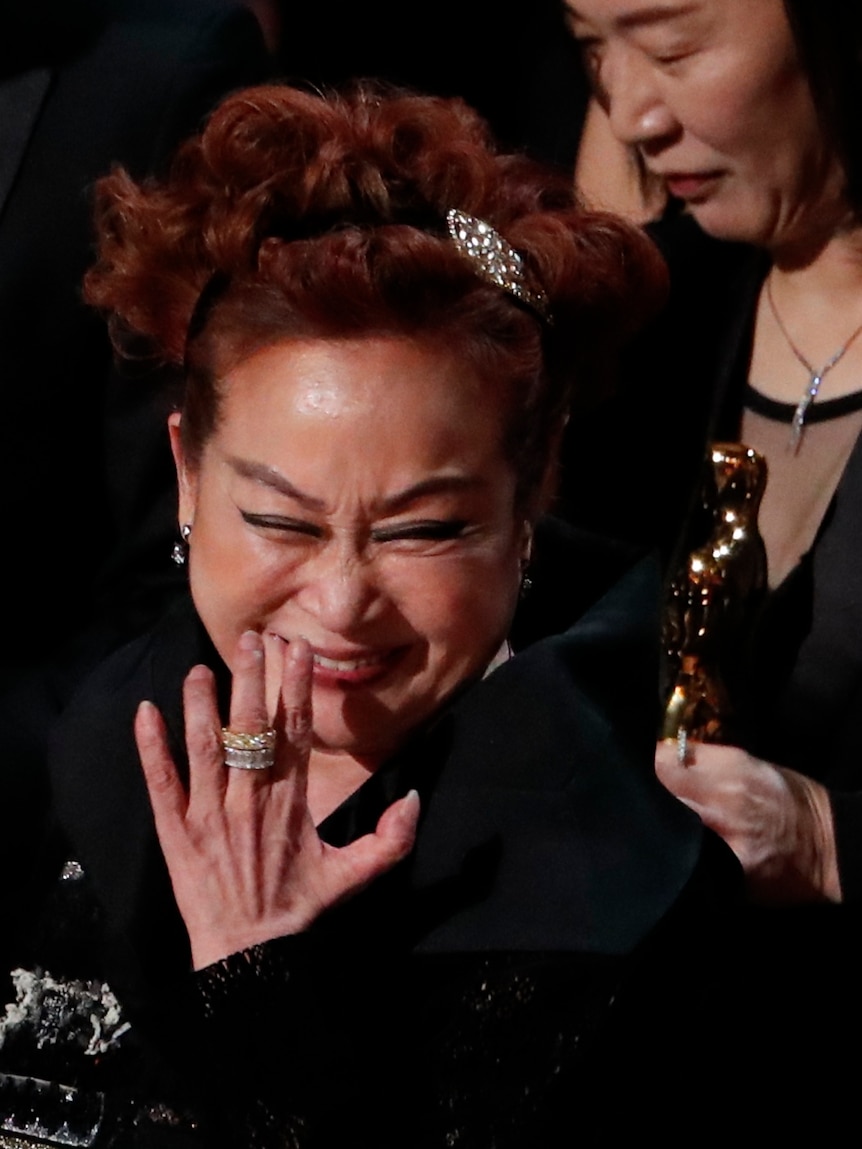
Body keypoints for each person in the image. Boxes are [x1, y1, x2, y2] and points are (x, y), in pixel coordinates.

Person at [0, 83, 738, 1145]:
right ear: (188, 476)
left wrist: (260, 1002)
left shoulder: (617, 891)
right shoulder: (86, 748)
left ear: (530, 499)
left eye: (423, 531)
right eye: (281, 522)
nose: (341, 605)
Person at [560, 0, 862, 1115]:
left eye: (676, 47)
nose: (633, 111)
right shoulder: (656, 321)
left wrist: (831, 841)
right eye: (592, 52)